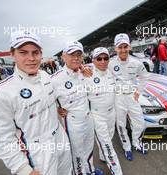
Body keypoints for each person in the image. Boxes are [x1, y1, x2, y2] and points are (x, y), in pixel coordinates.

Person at [0, 31, 72, 175]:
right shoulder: (0, 94)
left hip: (60, 137)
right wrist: (23, 169)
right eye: (23, 52)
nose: (31, 58)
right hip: (37, 153)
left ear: (41, 54)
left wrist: (57, 108)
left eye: (35, 53)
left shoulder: (45, 76)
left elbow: (52, 96)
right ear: (12, 54)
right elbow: (2, 139)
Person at [51, 41, 103, 175]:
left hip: (88, 117)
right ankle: (81, 172)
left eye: (79, 55)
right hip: (73, 122)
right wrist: (57, 108)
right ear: (63, 56)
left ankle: (90, 170)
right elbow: (47, 101)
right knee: (77, 152)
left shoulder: (85, 72)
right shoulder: (55, 79)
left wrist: (87, 74)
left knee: (89, 147)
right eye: (72, 54)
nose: (76, 58)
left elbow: (95, 91)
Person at [108, 33, 148, 161]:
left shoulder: (137, 62)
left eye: (125, 46)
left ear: (129, 47)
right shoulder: (110, 63)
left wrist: (138, 92)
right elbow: (96, 70)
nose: (123, 50)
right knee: (121, 125)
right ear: (115, 48)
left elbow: (144, 77)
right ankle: (127, 147)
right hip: (118, 98)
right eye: (120, 47)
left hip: (132, 97)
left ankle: (136, 143)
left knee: (140, 123)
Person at [85, 47, 123, 175]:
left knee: (109, 138)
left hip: (111, 113)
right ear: (93, 60)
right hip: (97, 115)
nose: (103, 61)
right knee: (107, 145)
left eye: (105, 58)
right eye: (99, 58)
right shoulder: (86, 74)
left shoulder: (111, 71)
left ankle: (102, 156)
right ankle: (117, 171)